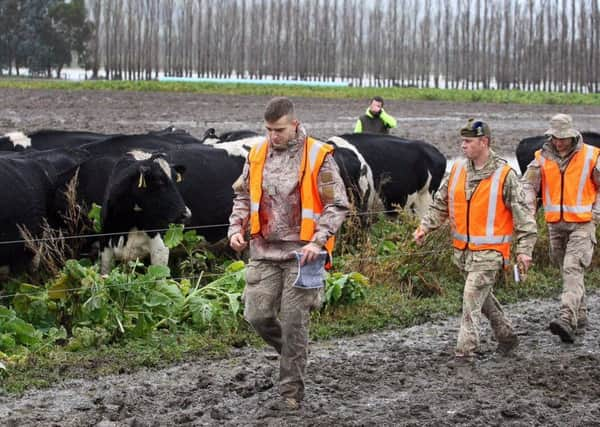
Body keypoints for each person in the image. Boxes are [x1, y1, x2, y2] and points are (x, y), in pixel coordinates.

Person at [228, 97, 349, 410]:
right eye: (268, 129)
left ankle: (290, 393)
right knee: (257, 315)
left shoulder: (318, 155)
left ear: (294, 124)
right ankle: (295, 356)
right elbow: (243, 197)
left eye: (279, 129)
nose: (273, 135)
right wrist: (236, 229)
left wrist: (318, 241)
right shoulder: (256, 155)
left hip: (302, 254)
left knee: (295, 323)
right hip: (263, 251)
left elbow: (337, 204)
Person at [413, 118, 536, 361]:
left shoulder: (505, 175)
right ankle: (507, 336)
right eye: (462, 141)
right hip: (463, 252)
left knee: (471, 297)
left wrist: (525, 250)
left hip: (490, 253)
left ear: (484, 142)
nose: (462, 146)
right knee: (483, 297)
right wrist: (424, 227)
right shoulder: (458, 170)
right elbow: (441, 204)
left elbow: (524, 217)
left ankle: (465, 352)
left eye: (468, 141)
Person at [522, 113, 599, 343]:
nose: (558, 142)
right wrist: (528, 206)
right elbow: (528, 184)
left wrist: (596, 213)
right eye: (555, 137)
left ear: (572, 135)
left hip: (583, 223)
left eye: (562, 138)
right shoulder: (541, 157)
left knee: (572, 267)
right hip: (555, 224)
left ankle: (566, 316)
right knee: (564, 266)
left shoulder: (591, 156)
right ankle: (581, 312)